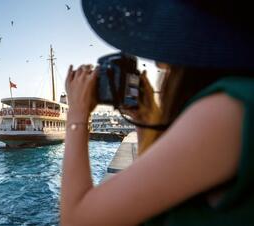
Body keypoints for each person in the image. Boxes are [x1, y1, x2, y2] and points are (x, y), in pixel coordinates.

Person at [60, 0, 254, 225]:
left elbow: (77, 220)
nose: (160, 64)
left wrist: (76, 114)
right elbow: (162, 179)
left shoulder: (225, 110)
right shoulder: (235, 101)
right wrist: (145, 120)